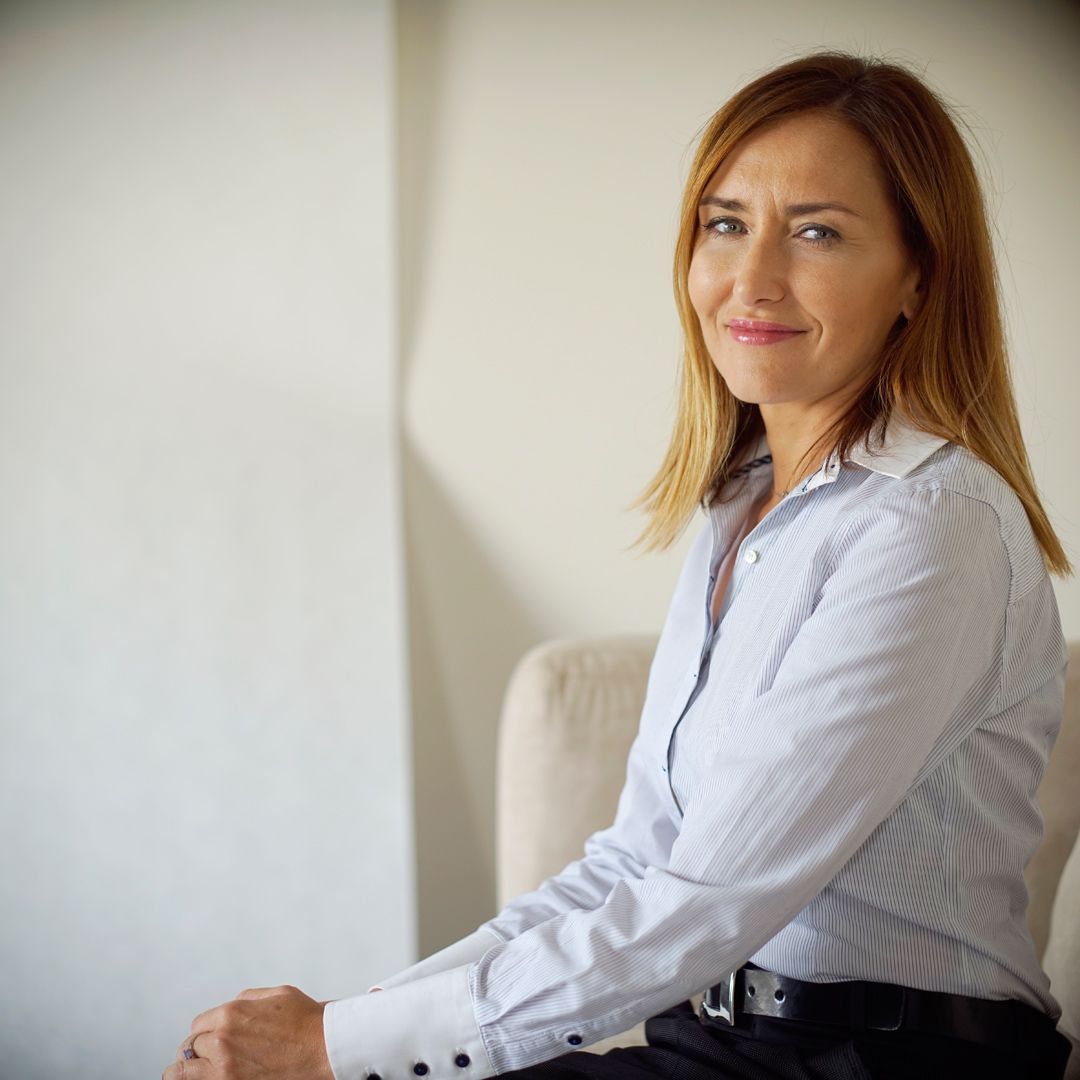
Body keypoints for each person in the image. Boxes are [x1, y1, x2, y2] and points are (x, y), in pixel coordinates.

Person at [163, 50, 1074, 1080]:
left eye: (816, 231)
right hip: (727, 1039)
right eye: (725, 223)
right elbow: (638, 863)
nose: (751, 278)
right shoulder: (742, 508)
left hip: (884, 1060)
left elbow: (707, 901)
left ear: (919, 275)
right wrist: (355, 1026)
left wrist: (334, 1052)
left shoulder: (930, 527)